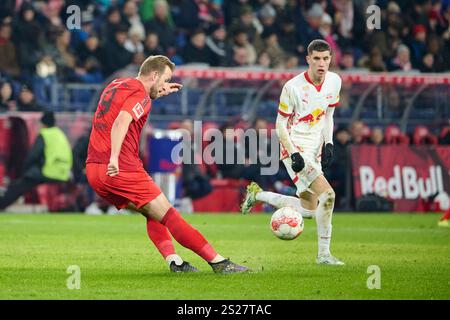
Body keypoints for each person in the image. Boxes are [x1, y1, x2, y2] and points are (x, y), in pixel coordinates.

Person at [85, 55, 248, 273]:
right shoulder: (140, 94)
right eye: (165, 78)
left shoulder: (116, 84)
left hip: (94, 170)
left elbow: (117, 110)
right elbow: (121, 121)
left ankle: (175, 262)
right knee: (169, 214)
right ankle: (218, 262)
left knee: (152, 212)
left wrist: (154, 93)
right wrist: (114, 157)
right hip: (120, 167)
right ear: (154, 75)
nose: (166, 84)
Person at [241, 40, 344, 265]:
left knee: (310, 210)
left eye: (326, 58)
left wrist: (329, 143)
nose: (321, 63)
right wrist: (293, 153)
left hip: (316, 148)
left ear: (330, 59)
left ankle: (257, 195)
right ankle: (324, 255)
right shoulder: (293, 87)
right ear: (308, 59)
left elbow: (328, 115)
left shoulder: (335, 81)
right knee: (329, 196)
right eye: (316, 58)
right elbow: (280, 124)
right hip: (295, 147)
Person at [0, 111, 73, 210]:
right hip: (63, 173)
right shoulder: (60, 134)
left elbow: (34, 155)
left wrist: (24, 170)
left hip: (49, 171)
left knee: (19, 184)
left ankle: (2, 204)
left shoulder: (45, 134)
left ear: (43, 123)